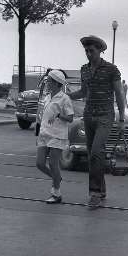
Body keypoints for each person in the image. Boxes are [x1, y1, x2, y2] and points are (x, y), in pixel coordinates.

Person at [68, 35, 126, 209]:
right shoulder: (84, 69)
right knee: (93, 155)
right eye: (86, 51)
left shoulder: (111, 69)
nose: (88, 54)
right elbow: (83, 92)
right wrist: (66, 96)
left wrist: (122, 118)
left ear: (100, 50)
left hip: (105, 116)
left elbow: (119, 93)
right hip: (88, 115)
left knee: (95, 152)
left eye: (91, 51)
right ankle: (102, 189)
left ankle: (94, 193)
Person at [36, 70, 74, 204]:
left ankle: (56, 193)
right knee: (40, 164)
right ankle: (57, 178)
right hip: (44, 133)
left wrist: (58, 115)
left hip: (57, 135)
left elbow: (70, 118)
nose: (47, 82)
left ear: (57, 83)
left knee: (53, 163)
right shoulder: (47, 97)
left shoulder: (64, 98)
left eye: (50, 81)